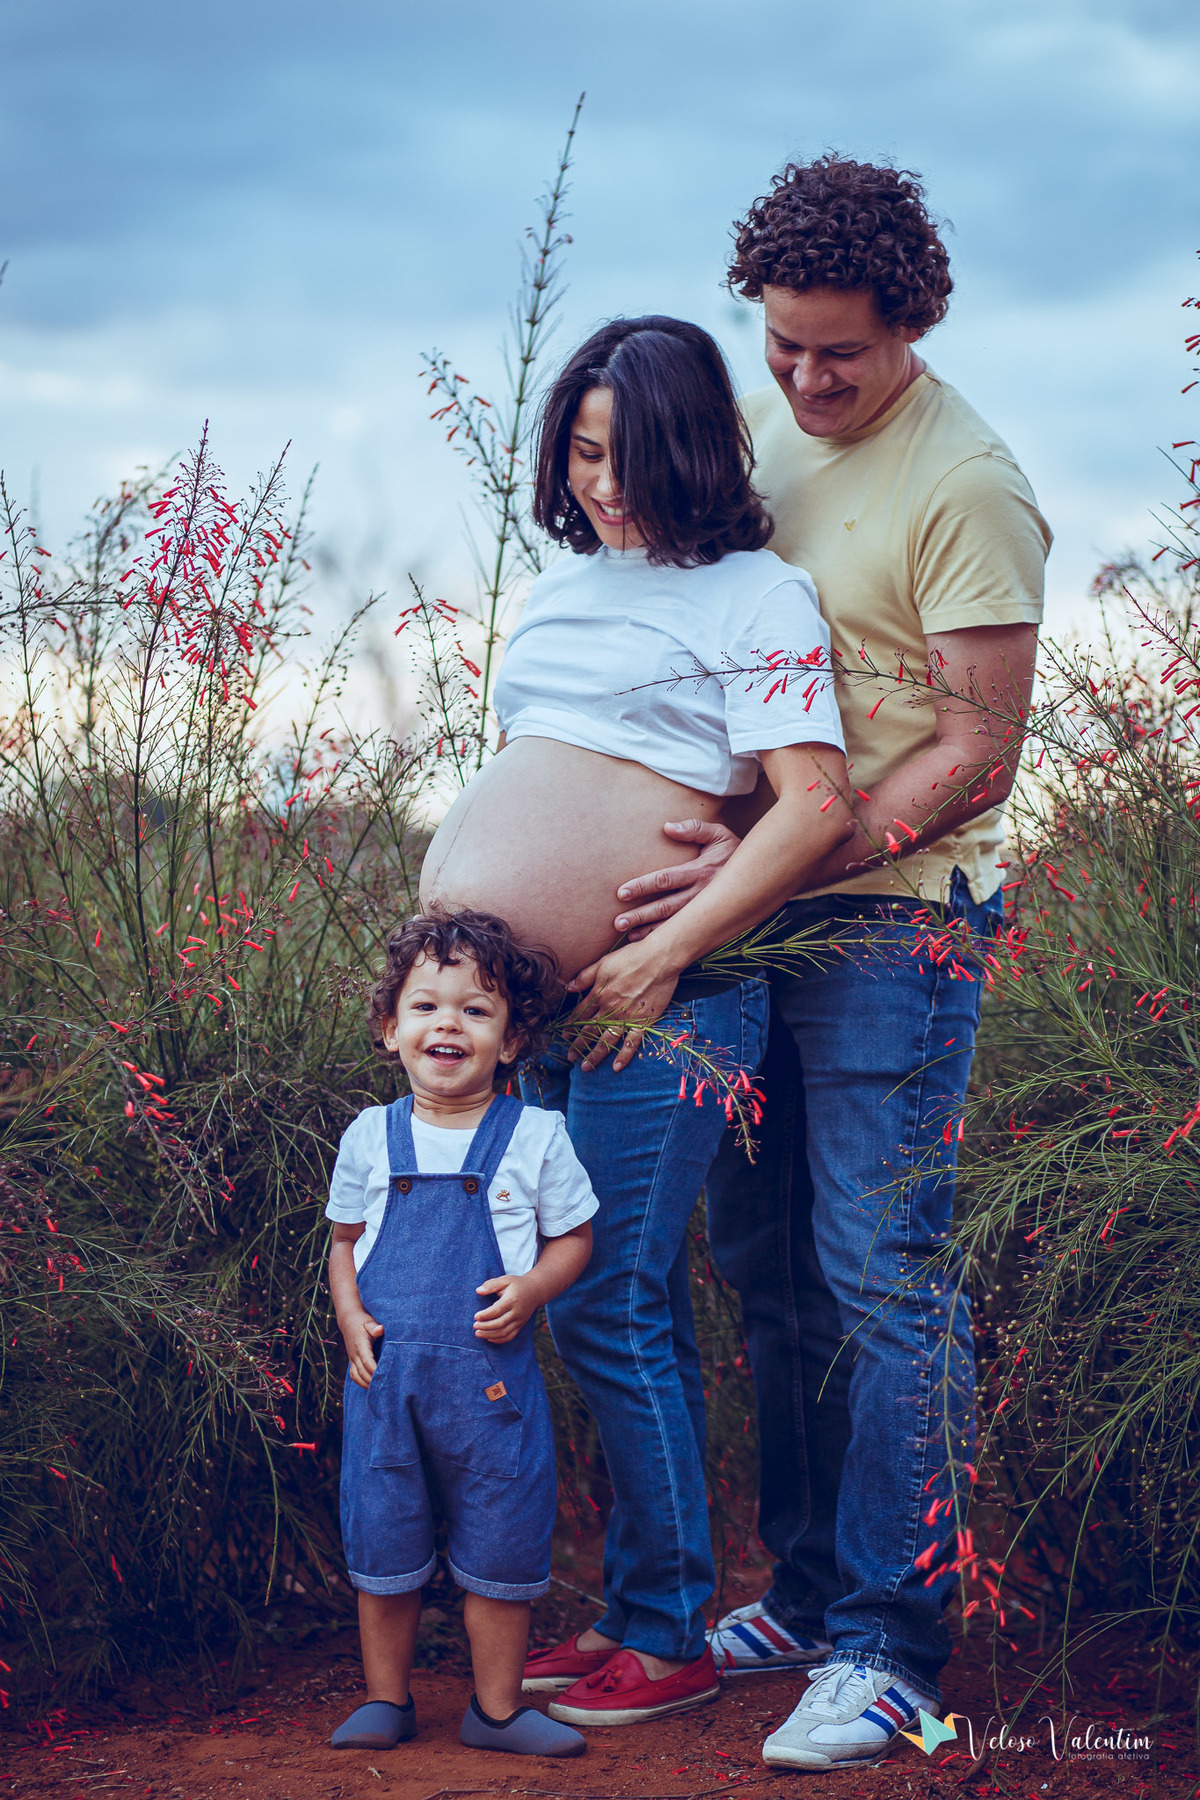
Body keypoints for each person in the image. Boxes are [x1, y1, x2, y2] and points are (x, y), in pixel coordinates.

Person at [609, 158, 1051, 1769]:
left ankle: (890, 1649)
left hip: (897, 928)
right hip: (752, 930)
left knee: (883, 1284)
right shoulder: (770, 432)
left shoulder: (970, 484)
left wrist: (783, 852)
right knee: (770, 1277)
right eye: (779, 345)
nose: (802, 380)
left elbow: (976, 756)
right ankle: (801, 1599)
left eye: (837, 353)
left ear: (914, 321)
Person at [419, 316, 853, 1725]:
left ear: (698, 452)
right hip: (538, 1019)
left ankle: (665, 1635)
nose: (605, 483)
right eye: (584, 451)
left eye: (634, 455)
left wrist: (662, 951)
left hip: (668, 1003)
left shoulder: (756, 594)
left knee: (611, 1293)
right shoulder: (555, 593)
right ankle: (634, 1611)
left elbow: (813, 805)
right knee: (599, 1300)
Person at [325, 908, 596, 1759]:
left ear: (512, 1041)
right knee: (384, 1532)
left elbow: (576, 1237)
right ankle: (385, 1699)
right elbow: (340, 1245)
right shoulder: (370, 1136)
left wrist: (534, 1287)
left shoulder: (537, 1136)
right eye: (426, 1007)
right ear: (390, 1030)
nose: (449, 1023)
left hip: (492, 1388)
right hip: (385, 1383)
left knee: (500, 1542)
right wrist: (347, 1316)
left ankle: (498, 1709)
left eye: (477, 1011)